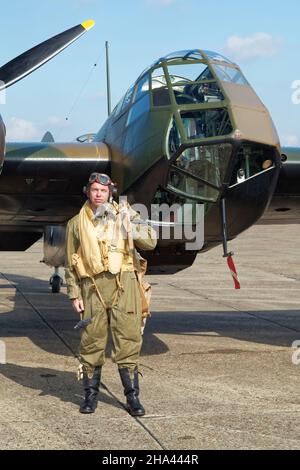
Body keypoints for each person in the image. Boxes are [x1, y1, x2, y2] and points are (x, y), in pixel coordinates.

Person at [64, 172, 157, 416]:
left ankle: (132, 397)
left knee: (128, 339)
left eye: (103, 191)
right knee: (91, 342)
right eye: (94, 190)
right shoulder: (75, 224)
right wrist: (74, 294)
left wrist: (129, 224)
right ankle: (90, 396)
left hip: (123, 284)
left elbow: (150, 242)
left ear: (110, 193)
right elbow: (70, 263)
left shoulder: (127, 214)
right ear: (88, 191)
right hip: (92, 287)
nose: (98, 194)